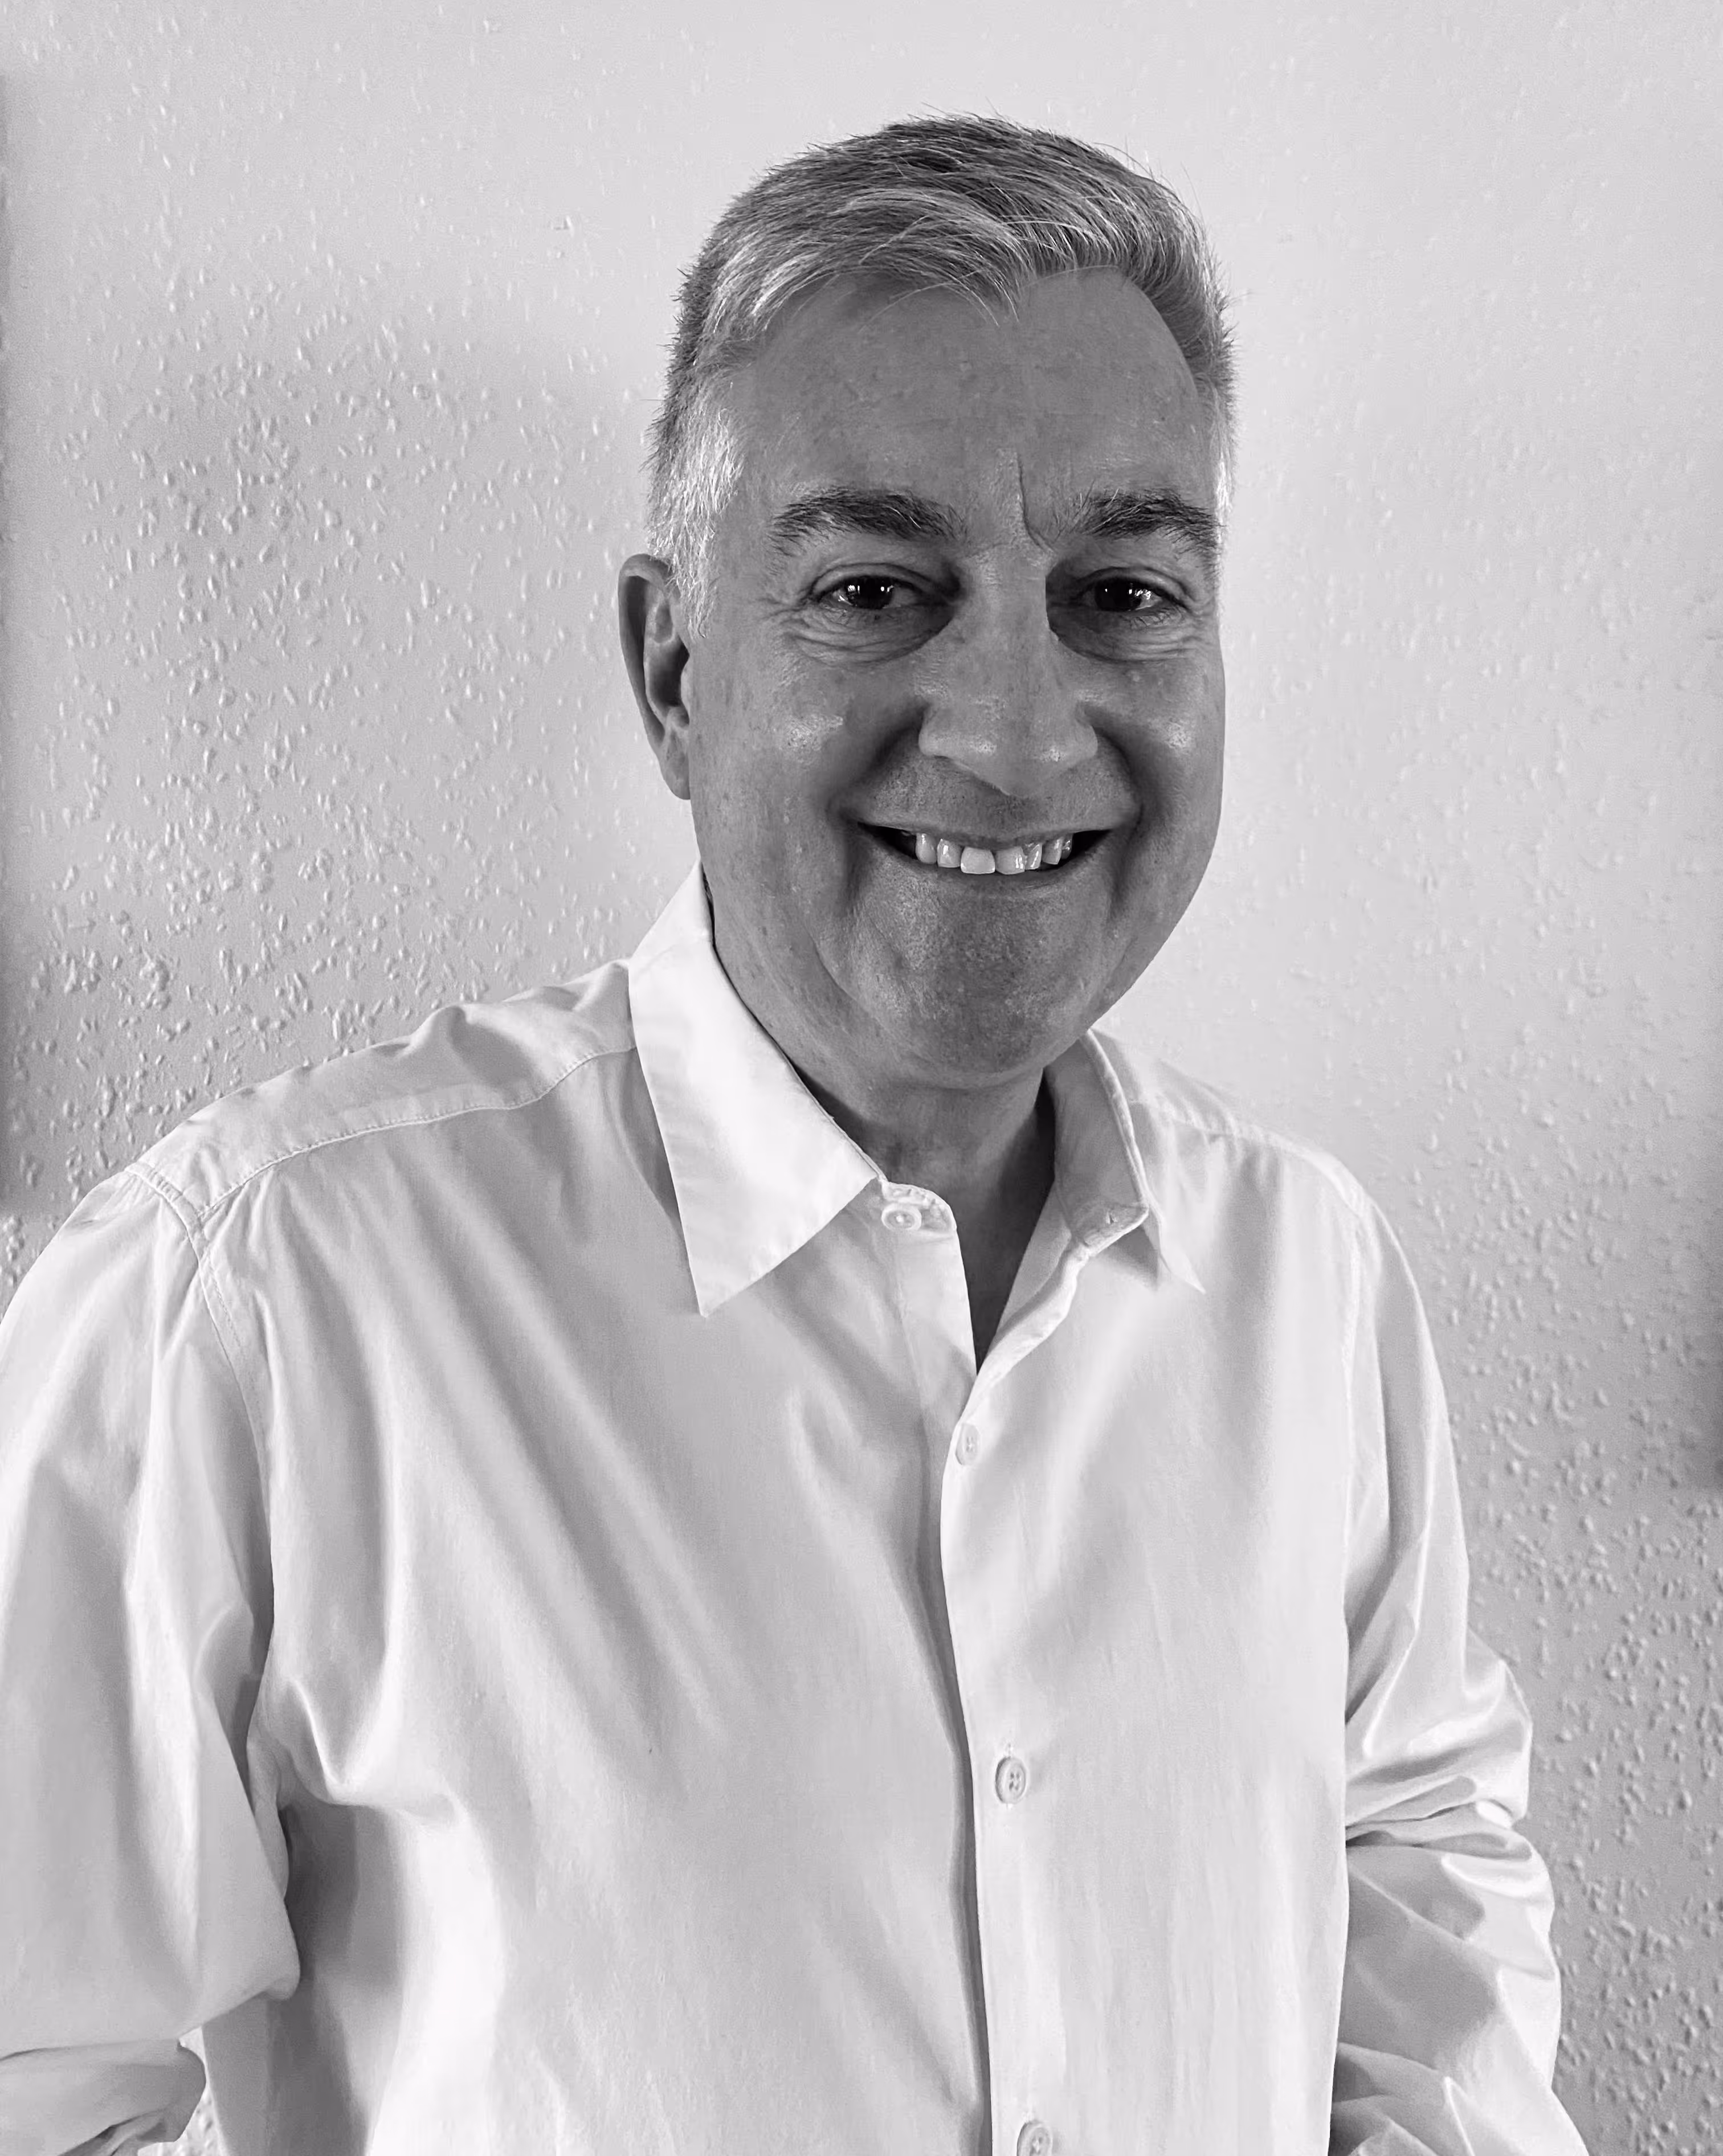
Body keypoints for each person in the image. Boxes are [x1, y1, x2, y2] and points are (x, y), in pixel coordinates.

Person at [0, 115, 1589, 2156]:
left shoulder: (1307, 1273)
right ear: (674, 670)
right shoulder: (254, 1298)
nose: (1014, 733)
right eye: (872, 590)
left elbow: (1418, 1866)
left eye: (1122, 593)